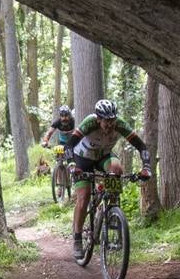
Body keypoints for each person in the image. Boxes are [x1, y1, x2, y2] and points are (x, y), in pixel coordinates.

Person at [64, 99, 151, 260]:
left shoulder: (120, 125)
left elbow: (142, 146)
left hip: (103, 156)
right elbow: (69, 145)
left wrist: (146, 167)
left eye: (112, 120)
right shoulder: (89, 123)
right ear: (98, 119)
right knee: (83, 197)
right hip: (82, 159)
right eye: (106, 121)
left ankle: (110, 207)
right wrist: (71, 165)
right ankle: (77, 238)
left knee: (117, 170)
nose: (110, 125)